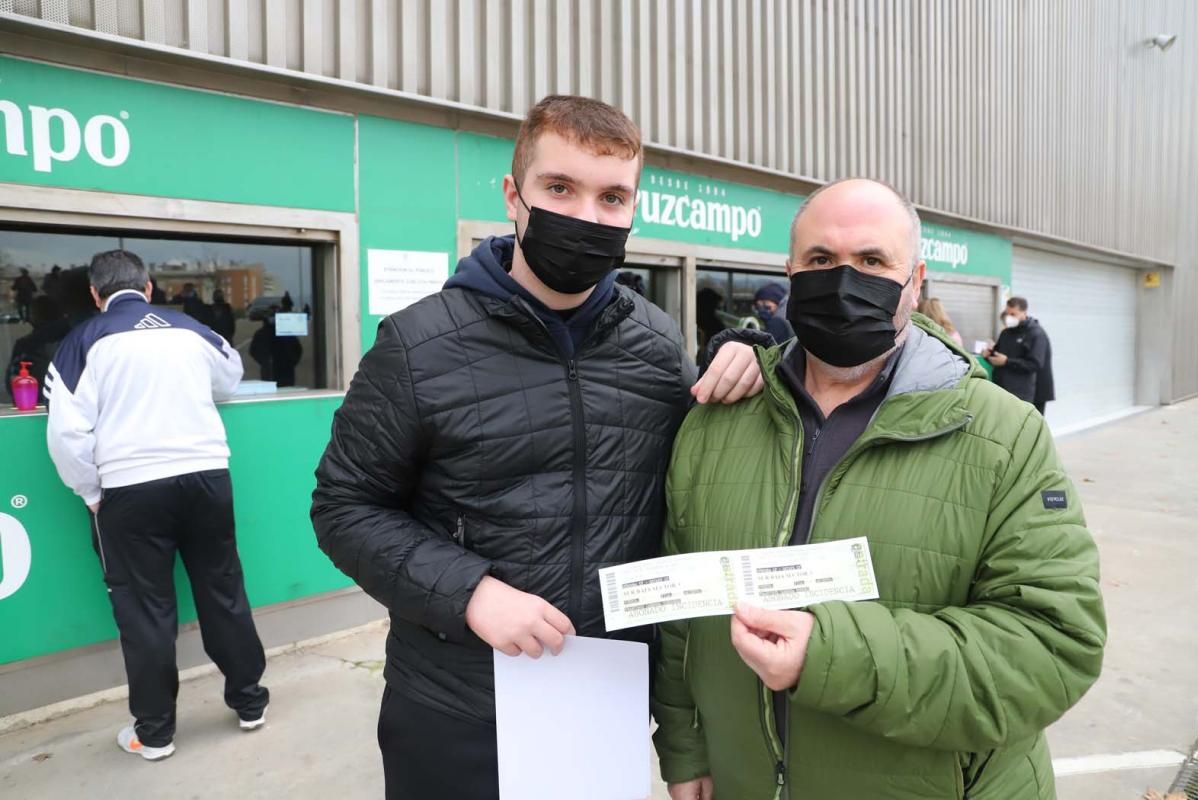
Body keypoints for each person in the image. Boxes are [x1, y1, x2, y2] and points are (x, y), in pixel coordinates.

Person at [310, 95, 763, 800]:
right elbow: (345, 507)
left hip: (602, 699)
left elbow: (700, 487)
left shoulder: (654, 344)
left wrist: (757, 354)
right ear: (513, 196)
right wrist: (470, 594)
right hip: (457, 705)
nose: (586, 216)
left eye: (612, 196)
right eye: (560, 188)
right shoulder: (418, 345)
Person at [653, 179, 1105, 800]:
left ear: (914, 280)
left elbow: (1053, 647)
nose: (843, 282)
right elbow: (681, 612)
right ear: (789, 273)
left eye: (871, 261)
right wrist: (685, 749)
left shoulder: (1005, 437)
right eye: (819, 261)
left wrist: (835, 660)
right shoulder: (715, 423)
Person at [45, 250, 269, 762]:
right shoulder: (188, 327)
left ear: (96, 295)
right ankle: (251, 703)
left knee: (146, 612)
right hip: (207, 477)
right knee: (223, 590)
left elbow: (65, 434)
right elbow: (229, 377)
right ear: (148, 288)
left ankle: (155, 733)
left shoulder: (82, 340)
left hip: (131, 488)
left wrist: (91, 492)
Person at [985, 297, 1056, 414]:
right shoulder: (1006, 333)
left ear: (1024, 312)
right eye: (1007, 314)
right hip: (1007, 390)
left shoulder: (1036, 334)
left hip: (1032, 393)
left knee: (1030, 428)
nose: (1009, 317)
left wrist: (1007, 361)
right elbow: (999, 356)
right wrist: (989, 355)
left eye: (1013, 314)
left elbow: (1035, 363)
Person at [6, 295, 68, 405]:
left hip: (32, 406)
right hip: (65, 406)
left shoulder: (26, 345)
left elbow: (12, 382)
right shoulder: (73, 341)